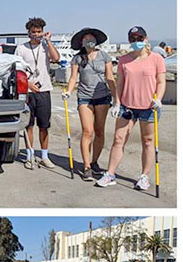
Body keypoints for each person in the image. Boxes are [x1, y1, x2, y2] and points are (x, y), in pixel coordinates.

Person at [96, 26, 166, 191]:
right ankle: (110, 174)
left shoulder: (156, 59)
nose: (136, 42)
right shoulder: (123, 60)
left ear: (146, 39)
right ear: (129, 41)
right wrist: (117, 102)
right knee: (118, 139)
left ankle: (144, 177)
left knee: (148, 141)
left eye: (139, 39)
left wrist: (159, 99)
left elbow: (161, 82)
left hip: (149, 107)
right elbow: (119, 83)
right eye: (133, 39)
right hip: (127, 107)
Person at [63, 28, 117, 181]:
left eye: (91, 37)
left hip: (102, 97)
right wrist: (68, 91)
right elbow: (73, 78)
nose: (89, 40)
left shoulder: (104, 56)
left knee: (100, 131)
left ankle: (94, 162)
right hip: (85, 97)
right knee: (88, 131)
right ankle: (86, 166)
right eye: (85, 38)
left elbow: (110, 77)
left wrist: (116, 99)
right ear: (81, 42)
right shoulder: (77, 58)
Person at [15, 17, 60, 169]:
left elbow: (56, 58)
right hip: (27, 91)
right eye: (33, 32)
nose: (36, 34)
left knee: (44, 126)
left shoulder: (46, 47)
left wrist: (48, 42)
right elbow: (16, 70)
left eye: (39, 32)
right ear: (28, 33)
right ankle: (29, 156)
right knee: (28, 125)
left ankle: (45, 156)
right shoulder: (21, 49)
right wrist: (27, 83)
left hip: (44, 90)